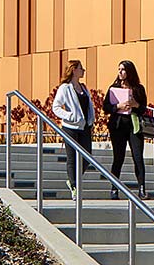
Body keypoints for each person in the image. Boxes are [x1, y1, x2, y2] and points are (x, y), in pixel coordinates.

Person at [103, 60, 148, 200]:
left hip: (134, 126)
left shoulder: (138, 88)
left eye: (123, 69)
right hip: (118, 126)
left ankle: (142, 188)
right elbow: (106, 107)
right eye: (119, 69)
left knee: (138, 157)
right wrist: (118, 106)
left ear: (130, 71)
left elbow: (143, 108)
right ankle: (114, 188)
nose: (120, 72)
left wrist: (135, 104)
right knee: (118, 157)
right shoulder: (113, 87)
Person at [51, 59, 95, 201]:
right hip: (70, 127)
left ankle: (73, 180)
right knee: (72, 157)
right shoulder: (65, 88)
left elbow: (88, 106)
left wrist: (91, 119)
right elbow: (56, 107)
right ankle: (75, 186)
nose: (84, 70)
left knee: (87, 156)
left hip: (85, 127)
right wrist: (69, 115)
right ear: (74, 70)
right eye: (81, 68)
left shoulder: (83, 87)